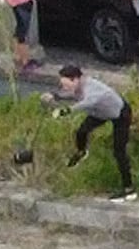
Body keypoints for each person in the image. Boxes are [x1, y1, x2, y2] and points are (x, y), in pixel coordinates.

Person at [51, 64, 134, 196]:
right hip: (100, 112)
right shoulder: (77, 86)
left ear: (76, 80)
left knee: (119, 152)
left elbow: (87, 102)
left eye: (67, 85)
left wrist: (66, 111)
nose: (65, 88)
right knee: (81, 132)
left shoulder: (91, 90)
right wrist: (56, 96)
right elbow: (72, 94)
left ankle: (129, 189)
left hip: (119, 114)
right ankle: (81, 152)